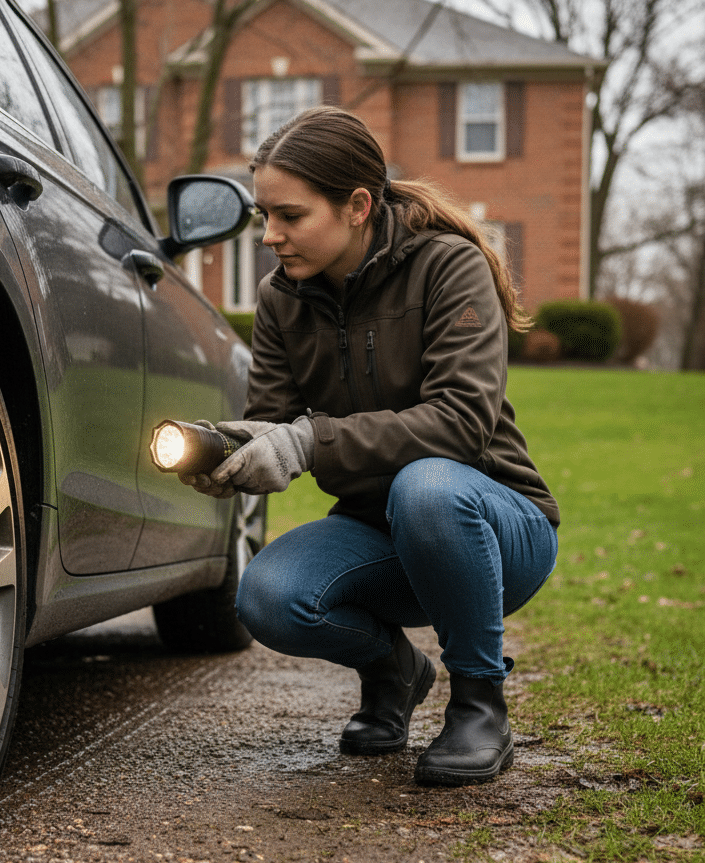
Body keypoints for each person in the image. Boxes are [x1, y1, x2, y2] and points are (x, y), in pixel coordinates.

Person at [181, 106, 559, 786]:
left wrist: (304, 442)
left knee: (428, 485)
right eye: (263, 216)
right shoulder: (281, 298)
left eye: (289, 216)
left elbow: (461, 423)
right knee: (267, 596)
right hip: (375, 531)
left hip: (496, 526)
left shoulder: (449, 267)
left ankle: (479, 704)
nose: (270, 236)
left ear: (357, 205)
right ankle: (393, 672)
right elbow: (277, 421)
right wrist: (230, 453)